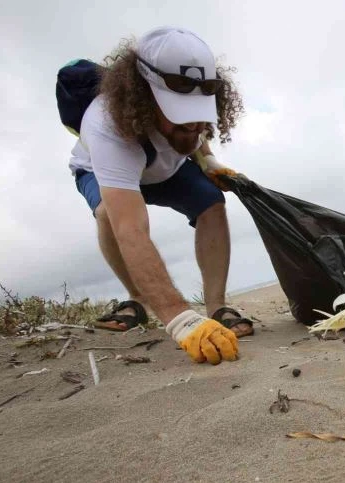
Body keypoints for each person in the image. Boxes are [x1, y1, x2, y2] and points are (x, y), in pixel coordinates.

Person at [68, 27, 252, 365]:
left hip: (166, 167)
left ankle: (216, 305)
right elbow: (130, 229)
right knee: (111, 214)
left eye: (198, 114)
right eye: (179, 114)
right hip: (106, 169)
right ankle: (137, 300)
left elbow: (195, 134)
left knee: (212, 202)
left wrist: (207, 160)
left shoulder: (192, 119)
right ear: (142, 96)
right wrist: (180, 317)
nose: (193, 124)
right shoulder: (106, 125)